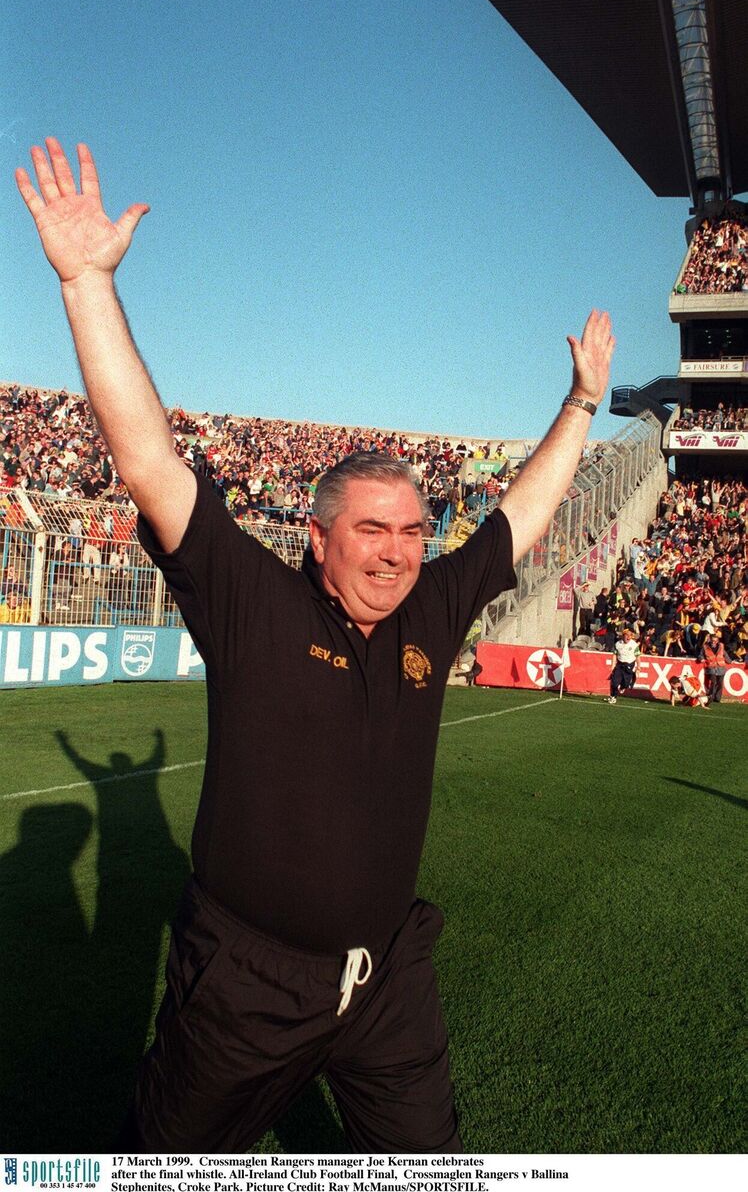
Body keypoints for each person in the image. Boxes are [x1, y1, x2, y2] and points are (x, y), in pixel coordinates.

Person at [16, 138, 615, 1153]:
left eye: (414, 532)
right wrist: (86, 285)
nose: (395, 555)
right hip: (243, 987)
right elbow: (149, 459)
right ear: (319, 536)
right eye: (371, 532)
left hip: (388, 979)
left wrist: (581, 403)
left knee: (428, 1167)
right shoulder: (254, 602)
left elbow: (519, 514)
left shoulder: (430, 604)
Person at [608, 627, 639, 704]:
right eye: (627, 635)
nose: (628, 637)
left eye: (630, 635)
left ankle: (623, 686)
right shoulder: (618, 644)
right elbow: (614, 655)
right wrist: (612, 665)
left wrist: (639, 667)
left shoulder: (634, 645)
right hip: (619, 665)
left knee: (626, 684)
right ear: (623, 635)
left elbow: (638, 656)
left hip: (629, 665)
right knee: (614, 682)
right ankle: (613, 696)